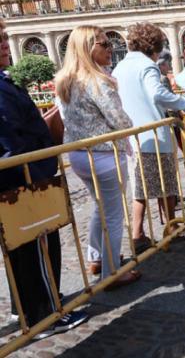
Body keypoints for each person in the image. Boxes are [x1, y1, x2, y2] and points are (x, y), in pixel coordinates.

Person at [0, 20, 88, 339]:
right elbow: (12, 143)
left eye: (5, 37)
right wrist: (40, 170)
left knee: (22, 251)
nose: (5, 43)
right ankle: (44, 314)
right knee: (36, 247)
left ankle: (27, 308)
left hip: (20, 178)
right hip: (23, 181)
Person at [56, 25, 140, 288]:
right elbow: (119, 120)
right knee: (113, 214)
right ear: (87, 48)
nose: (110, 47)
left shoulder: (66, 79)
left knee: (100, 207)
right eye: (104, 44)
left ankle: (97, 258)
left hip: (80, 156)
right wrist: (132, 126)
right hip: (103, 155)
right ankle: (112, 272)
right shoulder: (97, 80)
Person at [112, 23, 185, 254]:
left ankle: (140, 233)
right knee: (166, 183)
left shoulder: (119, 67)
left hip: (133, 135)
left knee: (141, 187)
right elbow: (157, 93)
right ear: (155, 45)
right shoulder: (147, 66)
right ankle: (167, 228)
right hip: (153, 133)